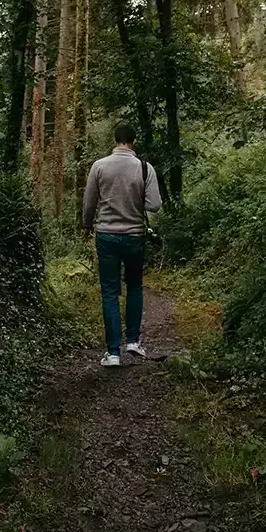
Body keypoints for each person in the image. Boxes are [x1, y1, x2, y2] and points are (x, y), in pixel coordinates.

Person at [82, 122, 162, 367]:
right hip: (134, 236)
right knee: (135, 286)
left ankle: (113, 352)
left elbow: (89, 203)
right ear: (133, 141)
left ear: (115, 141)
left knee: (109, 291)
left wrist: (87, 226)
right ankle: (133, 341)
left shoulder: (99, 166)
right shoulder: (145, 168)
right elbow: (154, 205)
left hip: (106, 235)